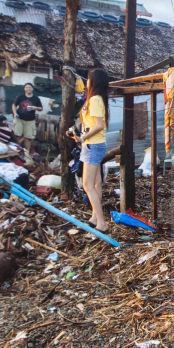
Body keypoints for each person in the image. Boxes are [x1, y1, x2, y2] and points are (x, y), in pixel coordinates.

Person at [72, 68, 109, 231]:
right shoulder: (98, 99)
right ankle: (95, 217)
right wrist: (79, 133)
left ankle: (101, 223)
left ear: (93, 82)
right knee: (96, 183)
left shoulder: (94, 99)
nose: (86, 82)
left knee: (87, 185)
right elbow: (93, 124)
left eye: (87, 79)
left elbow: (99, 125)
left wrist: (83, 138)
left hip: (93, 145)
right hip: (96, 143)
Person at [11, 82, 43, 158]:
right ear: (24, 89)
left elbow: (41, 108)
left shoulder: (36, 98)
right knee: (18, 135)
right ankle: (18, 152)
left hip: (30, 120)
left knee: (29, 137)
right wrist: (15, 113)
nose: (28, 89)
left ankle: (27, 153)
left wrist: (34, 107)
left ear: (32, 89)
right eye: (26, 87)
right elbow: (14, 105)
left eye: (30, 87)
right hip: (19, 119)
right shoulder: (20, 97)